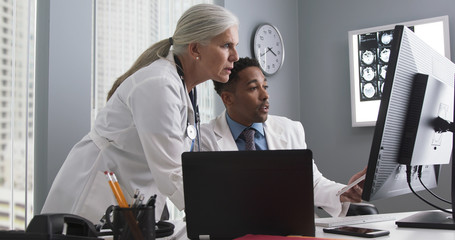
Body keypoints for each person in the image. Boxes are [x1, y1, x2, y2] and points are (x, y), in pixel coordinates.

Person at [41, 4, 239, 223]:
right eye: (226, 45)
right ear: (195, 50)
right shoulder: (159, 84)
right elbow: (172, 172)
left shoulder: (181, 86)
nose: (235, 56)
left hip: (130, 201)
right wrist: (225, 213)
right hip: (95, 197)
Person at [200, 57, 365, 217]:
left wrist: (343, 193)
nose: (265, 95)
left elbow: (311, 184)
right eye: (253, 88)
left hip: (291, 228)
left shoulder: (290, 129)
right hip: (235, 229)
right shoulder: (204, 139)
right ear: (228, 98)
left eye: (265, 86)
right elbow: (209, 199)